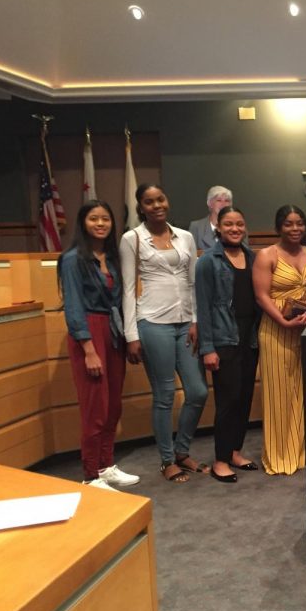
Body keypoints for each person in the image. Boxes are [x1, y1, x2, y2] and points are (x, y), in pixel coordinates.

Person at [120, 183, 209, 484]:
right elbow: (128, 290)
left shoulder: (184, 236)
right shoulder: (132, 239)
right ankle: (167, 459)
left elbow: (192, 281)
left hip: (185, 322)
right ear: (140, 206)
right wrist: (130, 334)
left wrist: (196, 320)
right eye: (149, 202)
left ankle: (183, 451)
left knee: (197, 391)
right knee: (165, 394)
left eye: (160, 199)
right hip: (152, 322)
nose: (157, 205)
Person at [58, 200, 139, 491]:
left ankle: (106, 465)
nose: (101, 224)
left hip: (112, 330)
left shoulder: (113, 257)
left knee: (112, 405)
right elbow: (74, 308)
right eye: (94, 219)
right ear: (83, 223)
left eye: (106, 218)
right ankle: (90, 475)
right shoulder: (72, 259)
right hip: (89, 334)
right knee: (95, 407)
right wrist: (89, 349)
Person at [195, 207, 262, 483]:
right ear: (218, 228)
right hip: (223, 339)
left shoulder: (252, 257)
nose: (235, 229)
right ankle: (220, 460)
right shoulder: (208, 262)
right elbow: (204, 308)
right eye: (229, 224)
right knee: (228, 399)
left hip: (249, 338)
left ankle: (235, 451)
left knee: (245, 396)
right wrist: (207, 348)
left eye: (239, 224)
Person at [254, 204, 306, 475]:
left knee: (304, 391)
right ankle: (280, 454)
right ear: (279, 227)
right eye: (289, 224)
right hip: (276, 329)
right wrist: (283, 321)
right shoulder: (267, 255)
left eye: (299, 223)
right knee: (279, 393)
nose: (295, 229)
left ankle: (301, 451)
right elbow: (261, 296)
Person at [188, 185, 233, 251]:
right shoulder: (196, 227)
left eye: (227, 201)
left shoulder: (238, 227)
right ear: (210, 203)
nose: (223, 204)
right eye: (219, 200)